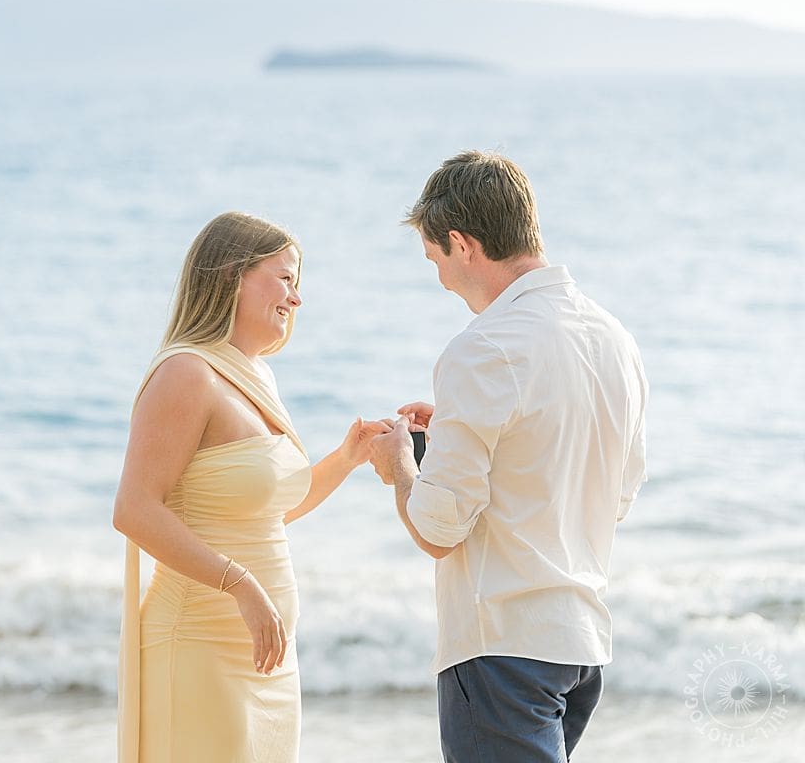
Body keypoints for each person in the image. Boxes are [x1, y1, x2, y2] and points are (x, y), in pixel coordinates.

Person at [368, 151, 648, 762]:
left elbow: (438, 529)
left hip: (502, 645)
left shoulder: (482, 348)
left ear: (462, 245)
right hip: (579, 646)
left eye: (435, 258)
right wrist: (464, 435)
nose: (439, 277)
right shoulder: (614, 339)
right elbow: (612, 492)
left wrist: (400, 466)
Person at [113, 211, 390, 763]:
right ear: (231, 275)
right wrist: (240, 585)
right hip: (198, 644)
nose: (297, 298)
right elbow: (135, 510)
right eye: (285, 278)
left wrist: (347, 457)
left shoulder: (254, 373)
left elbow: (260, 515)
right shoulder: (186, 373)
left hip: (265, 658)